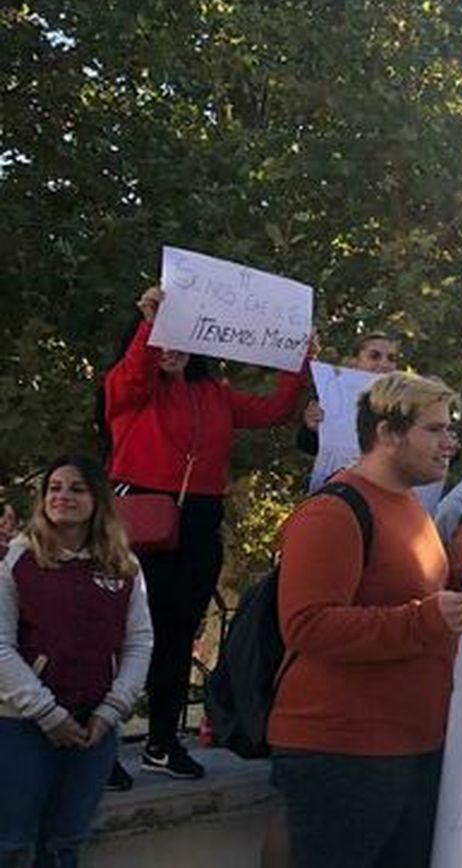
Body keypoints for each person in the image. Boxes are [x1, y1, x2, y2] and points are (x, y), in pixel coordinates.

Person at [269, 372, 462, 868]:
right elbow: (307, 625)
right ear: (387, 434)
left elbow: (423, 596)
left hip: (409, 747)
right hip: (344, 753)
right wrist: (423, 620)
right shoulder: (333, 513)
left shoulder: (413, 509)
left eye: (450, 430)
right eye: (435, 429)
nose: (450, 443)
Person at [104, 286, 308, 782]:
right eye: (161, 338)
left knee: (176, 637)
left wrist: (297, 358)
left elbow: (274, 409)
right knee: (116, 636)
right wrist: (152, 326)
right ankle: (100, 748)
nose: (171, 347)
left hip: (196, 528)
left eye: (180, 337)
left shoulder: (215, 395)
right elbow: (133, 376)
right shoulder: (131, 388)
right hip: (139, 524)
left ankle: (161, 740)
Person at [0, 456, 152, 868]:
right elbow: (1, 647)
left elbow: (139, 642)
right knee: (11, 844)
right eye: (55, 487)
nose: (62, 496)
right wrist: (47, 712)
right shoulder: (18, 560)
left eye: (76, 488)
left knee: (64, 843)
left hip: (93, 726)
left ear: (97, 499)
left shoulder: (124, 566)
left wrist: (112, 709)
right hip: (22, 724)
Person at [295, 331, 400, 456]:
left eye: (391, 358)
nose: (385, 364)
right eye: (374, 356)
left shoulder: (405, 403)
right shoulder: (333, 392)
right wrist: (312, 428)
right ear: (356, 361)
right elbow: (309, 447)